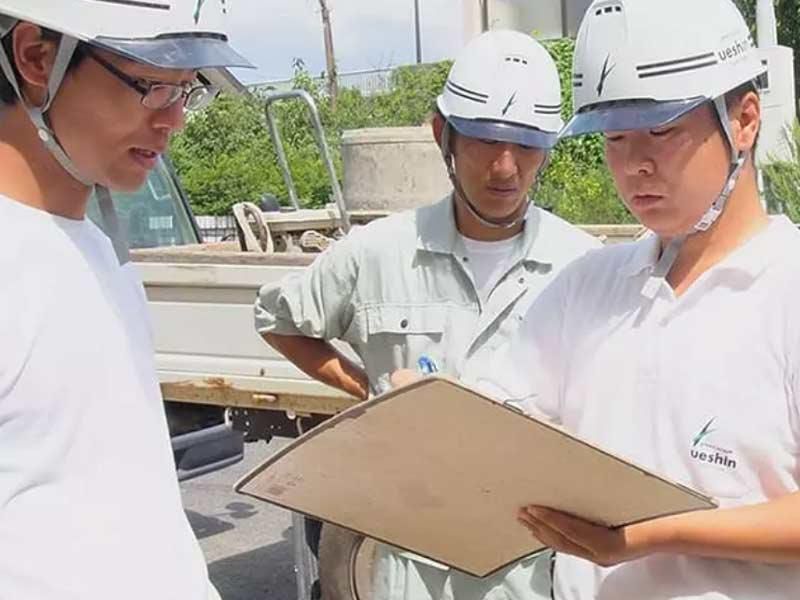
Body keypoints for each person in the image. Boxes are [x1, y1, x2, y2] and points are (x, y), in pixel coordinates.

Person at [255, 29, 600, 600]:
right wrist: (367, 389)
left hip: (529, 572)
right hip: (411, 571)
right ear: (444, 135)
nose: (506, 168)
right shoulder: (378, 254)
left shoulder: (583, 266)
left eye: (527, 145)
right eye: (485, 141)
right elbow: (278, 319)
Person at [473, 1, 800, 598]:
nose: (634, 165)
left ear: (745, 120)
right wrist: (433, 413)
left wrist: (651, 535)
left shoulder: (787, 290)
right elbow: (500, 418)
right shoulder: (585, 289)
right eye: (616, 138)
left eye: (662, 131)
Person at [0, 2, 251, 599]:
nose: (175, 120)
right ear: (36, 57)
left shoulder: (100, 252)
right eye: (153, 86)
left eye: (185, 91)